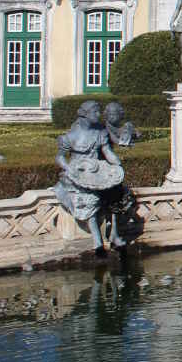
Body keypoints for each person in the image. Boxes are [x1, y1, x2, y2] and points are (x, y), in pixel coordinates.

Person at [53, 101, 127, 254]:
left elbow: (107, 152)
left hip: (97, 171)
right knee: (89, 198)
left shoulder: (100, 132)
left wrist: (117, 163)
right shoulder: (70, 136)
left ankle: (114, 234)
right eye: (95, 112)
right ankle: (97, 241)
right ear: (85, 114)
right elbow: (60, 157)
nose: (99, 115)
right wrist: (68, 168)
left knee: (117, 193)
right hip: (78, 172)